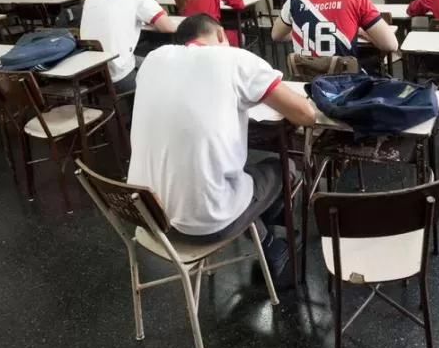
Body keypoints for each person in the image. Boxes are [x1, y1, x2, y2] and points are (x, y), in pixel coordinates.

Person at [127, 14, 316, 276]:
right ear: (219, 34)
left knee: (222, 171)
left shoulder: (153, 60)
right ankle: (271, 244)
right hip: (207, 224)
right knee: (284, 167)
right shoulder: (235, 59)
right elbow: (305, 114)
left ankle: (264, 235)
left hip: (148, 217)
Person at [80, 0, 177, 93]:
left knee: (140, 59)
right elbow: (168, 27)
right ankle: (144, 106)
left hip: (91, 75)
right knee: (163, 68)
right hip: (119, 77)